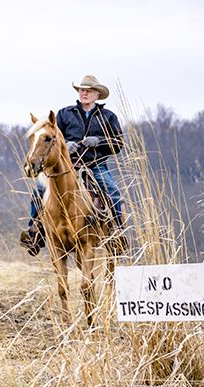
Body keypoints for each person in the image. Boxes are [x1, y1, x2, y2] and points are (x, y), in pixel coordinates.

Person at [20, 75, 125, 256]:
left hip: (95, 165)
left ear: (97, 94)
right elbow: (54, 137)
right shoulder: (64, 114)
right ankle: (34, 231)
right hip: (68, 165)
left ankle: (117, 232)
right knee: (39, 190)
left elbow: (118, 143)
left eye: (89, 90)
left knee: (112, 191)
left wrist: (98, 141)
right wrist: (66, 145)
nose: (84, 93)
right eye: (82, 90)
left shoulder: (108, 117)